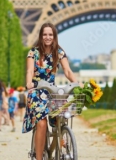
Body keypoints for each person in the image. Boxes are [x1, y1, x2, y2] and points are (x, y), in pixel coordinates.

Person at [23, 22, 79, 160]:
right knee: (41, 123)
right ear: (41, 36)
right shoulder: (33, 52)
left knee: (61, 117)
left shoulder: (59, 52)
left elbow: (67, 70)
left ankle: (61, 139)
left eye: (50, 34)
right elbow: (30, 70)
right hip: (36, 91)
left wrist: (77, 83)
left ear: (54, 37)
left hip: (52, 91)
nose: (47, 37)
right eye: (45, 34)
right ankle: (39, 158)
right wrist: (29, 82)